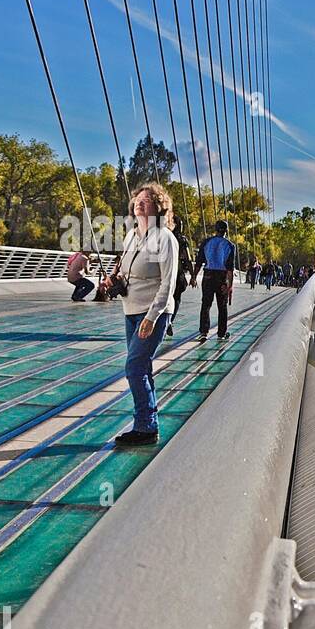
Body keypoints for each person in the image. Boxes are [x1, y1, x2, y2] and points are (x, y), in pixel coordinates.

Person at [102, 182, 178, 447]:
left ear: (158, 208)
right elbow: (126, 271)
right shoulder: (131, 236)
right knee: (142, 367)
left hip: (152, 314)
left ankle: (144, 427)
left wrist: (151, 318)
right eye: (137, 200)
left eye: (146, 200)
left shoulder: (166, 238)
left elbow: (168, 284)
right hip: (130, 310)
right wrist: (114, 281)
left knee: (134, 368)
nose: (139, 203)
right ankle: (149, 423)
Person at [194, 219, 237, 341]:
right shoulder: (230, 245)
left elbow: (199, 262)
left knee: (206, 305)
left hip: (208, 275)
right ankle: (221, 333)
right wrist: (229, 286)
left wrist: (194, 277)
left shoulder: (207, 242)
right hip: (221, 277)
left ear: (215, 229)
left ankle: (203, 332)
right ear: (226, 231)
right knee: (222, 306)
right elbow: (230, 269)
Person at [169, 216, 197, 338]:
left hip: (164, 271)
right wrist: (193, 275)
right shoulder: (182, 239)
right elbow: (187, 258)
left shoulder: (163, 237)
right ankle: (170, 320)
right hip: (177, 272)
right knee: (177, 298)